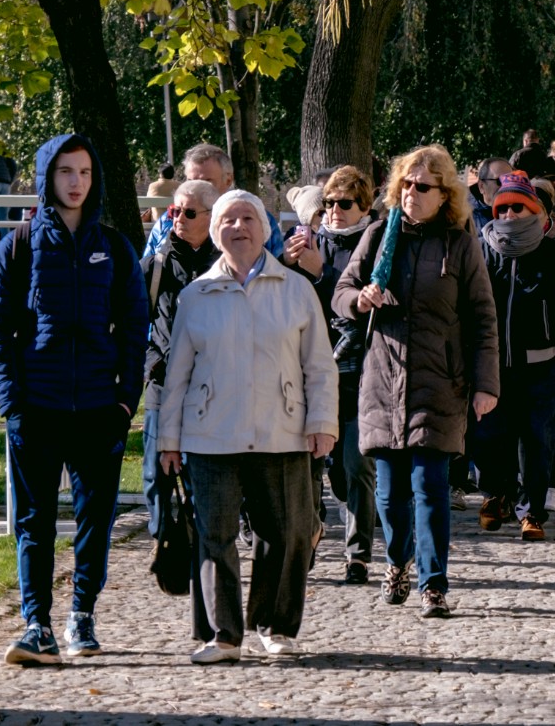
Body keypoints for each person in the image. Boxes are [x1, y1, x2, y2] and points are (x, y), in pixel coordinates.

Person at [0, 134, 146, 665]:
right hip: (38, 409)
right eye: (65, 172)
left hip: (100, 408)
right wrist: (12, 402)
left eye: (85, 173)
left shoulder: (116, 248)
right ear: (47, 176)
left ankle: (82, 615)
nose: (76, 183)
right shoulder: (20, 246)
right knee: (35, 522)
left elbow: (135, 328)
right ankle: (36, 624)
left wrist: (125, 401)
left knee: (96, 517)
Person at [159, 187, 338, 663]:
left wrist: (323, 423)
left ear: (265, 229)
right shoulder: (197, 295)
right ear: (215, 233)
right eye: (228, 221)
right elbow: (176, 375)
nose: (238, 228)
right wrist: (169, 440)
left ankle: (275, 625)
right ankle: (223, 635)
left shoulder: (296, 289)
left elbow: (320, 366)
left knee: (288, 532)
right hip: (210, 434)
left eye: (247, 219)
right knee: (214, 535)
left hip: (284, 430)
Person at [333, 145, 499, 618]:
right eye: (406, 184)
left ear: (444, 194)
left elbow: (484, 318)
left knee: (430, 488)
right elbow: (341, 292)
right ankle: (396, 561)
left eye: (422, 186)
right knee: (389, 494)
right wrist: (359, 299)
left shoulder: (462, 245)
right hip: (383, 382)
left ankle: (434, 584)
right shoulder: (378, 237)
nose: (411, 193)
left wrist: (486, 384)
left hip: (440, 383)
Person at [474, 172, 555, 541]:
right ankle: (497, 494)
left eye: (518, 207)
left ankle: (533, 509)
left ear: (534, 211)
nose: (509, 214)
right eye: (503, 207)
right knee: (489, 436)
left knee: (536, 442)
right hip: (493, 365)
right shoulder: (482, 250)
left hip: (542, 365)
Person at [284, 165, 380, 584]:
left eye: (345, 204)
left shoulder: (376, 244)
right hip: (313, 369)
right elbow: (289, 304)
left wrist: (322, 273)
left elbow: (360, 305)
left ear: (364, 207)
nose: (334, 211)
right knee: (309, 464)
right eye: (328, 204)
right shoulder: (310, 242)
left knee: (355, 466)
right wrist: (288, 265)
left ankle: (358, 553)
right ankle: (309, 533)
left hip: (362, 367)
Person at [139, 179, 220, 547]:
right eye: (174, 211)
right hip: (162, 382)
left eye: (188, 213)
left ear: (209, 216)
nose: (178, 219)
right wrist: (150, 362)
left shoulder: (226, 264)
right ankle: (162, 540)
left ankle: (203, 542)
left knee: (201, 473)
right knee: (156, 472)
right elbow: (129, 321)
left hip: (210, 386)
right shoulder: (155, 265)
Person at [141, 142, 285, 265]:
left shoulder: (256, 220)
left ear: (228, 180)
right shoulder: (168, 221)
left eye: (205, 182)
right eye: (191, 182)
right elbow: (147, 271)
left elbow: (277, 274)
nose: (197, 189)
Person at [469, 155, 512, 228]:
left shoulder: (523, 212)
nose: (507, 186)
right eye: (500, 181)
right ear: (481, 186)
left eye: (511, 180)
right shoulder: (465, 217)